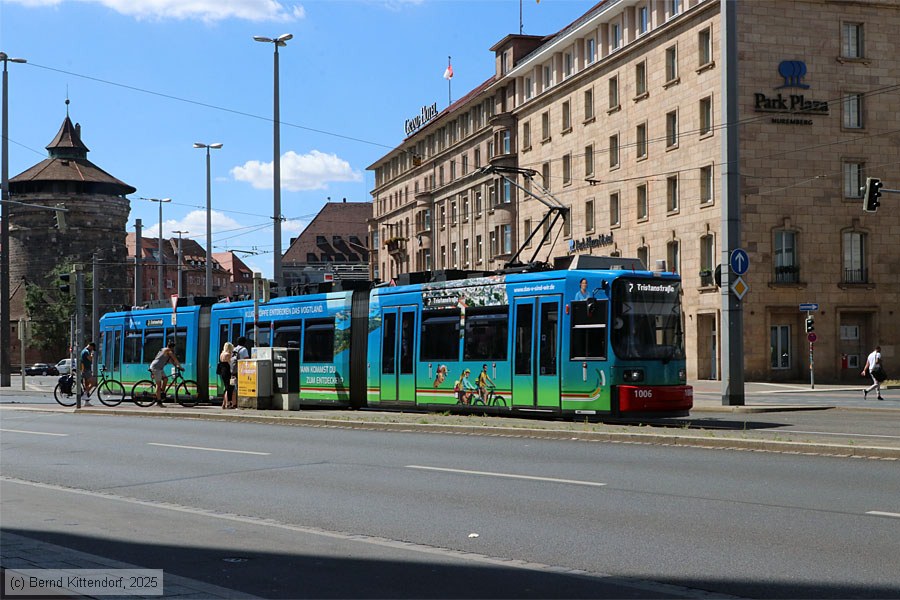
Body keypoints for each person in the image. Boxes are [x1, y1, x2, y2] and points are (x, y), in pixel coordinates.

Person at [149, 340, 181, 406]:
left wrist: (176, 366)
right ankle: (159, 401)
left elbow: (171, 361)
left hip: (159, 368)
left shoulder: (164, 350)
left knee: (165, 379)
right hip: (156, 367)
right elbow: (175, 359)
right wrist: (180, 367)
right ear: (172, 347)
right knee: (158, 384)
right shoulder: (168, 351)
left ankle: (160, 393)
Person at [79, 342, 97, 406]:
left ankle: (86, 402)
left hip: (85, 369)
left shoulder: (84, 350)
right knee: (93, 382)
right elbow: (90, 358)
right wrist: (92, 355)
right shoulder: (86, 351)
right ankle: (84, 395)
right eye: (92, 349)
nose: (92, 350)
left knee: (86, 386)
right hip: (86, 370)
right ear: (91, 346)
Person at [218, 342, 235, 409]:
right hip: (227, 371)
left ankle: (224, 403)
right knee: (229, 387)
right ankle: (228, 403)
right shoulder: (228, 354)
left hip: (222, 371)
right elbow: (230, 364)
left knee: (226, 387)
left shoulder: (222, 354)